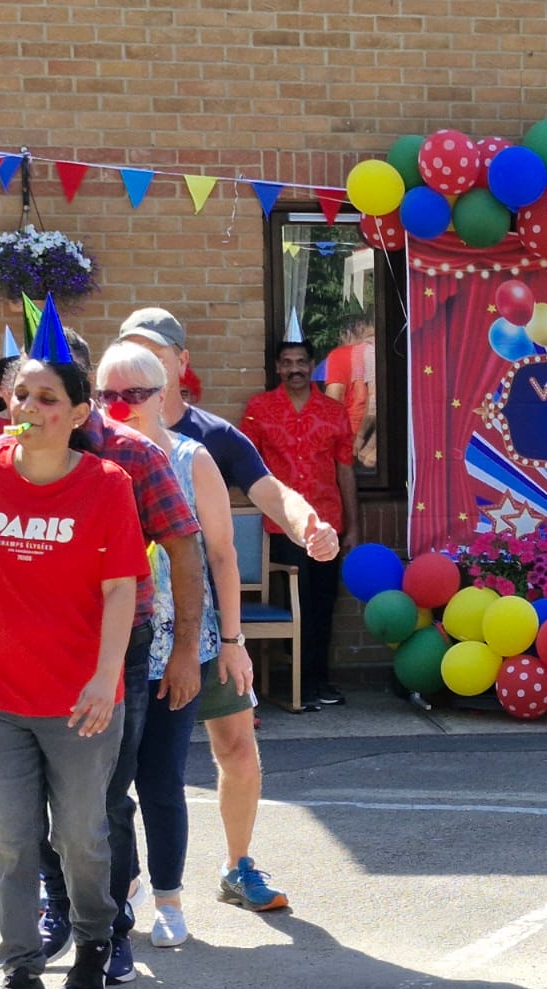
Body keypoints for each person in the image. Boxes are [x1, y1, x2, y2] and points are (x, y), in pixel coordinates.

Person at [0, 328, 205, 987]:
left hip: (112, 651)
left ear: (80, 404)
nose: (30, 406)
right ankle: (55, 917)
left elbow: (183, 552)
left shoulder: (128, 464)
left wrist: (186, 650)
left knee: (98, 802)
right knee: (22, 817)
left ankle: (105, 932)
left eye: (51, 392)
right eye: (20, 391)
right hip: (9, 672)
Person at [118, 307, 340, 912]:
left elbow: (271, 491)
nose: (141, 371)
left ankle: (239, 866)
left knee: (237, 747)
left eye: (155, 355)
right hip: (128, 633)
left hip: (208, 634)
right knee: (121, 771)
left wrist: (307, 525)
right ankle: (124, 882)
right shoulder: (100, 437)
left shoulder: (209, 438)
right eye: (130, 356)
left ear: (179, 365)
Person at [96, 342, 250, 948]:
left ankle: (169, 899)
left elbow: (220, 555)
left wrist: (231, 642)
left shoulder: (193, 460)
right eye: (108, 394)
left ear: (164, 394)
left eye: (134, 393)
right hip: (108, 651)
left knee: (160, 778)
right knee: (107, 785)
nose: (121, 405)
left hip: (176, 647)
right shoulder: (88, 461)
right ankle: (123, 887)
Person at [241, 339, 359, 709]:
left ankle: (319, 680)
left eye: (302, 361)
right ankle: (296, 684)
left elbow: (345, 469)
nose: (295, 368)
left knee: (324, 604)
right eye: (287, 362)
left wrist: (353, 526)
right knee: (297, 600)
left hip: (328, 522)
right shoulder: (259, 410)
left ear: (312, 366)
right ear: (277, 367)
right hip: (282, 526)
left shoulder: (334, 411)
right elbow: (246, 466)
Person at [320, 311, 377, 470]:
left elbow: (334, 399)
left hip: (351, 436)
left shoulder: (339, 355)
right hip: (374, 432)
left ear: (346, 333)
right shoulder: (378, 352)